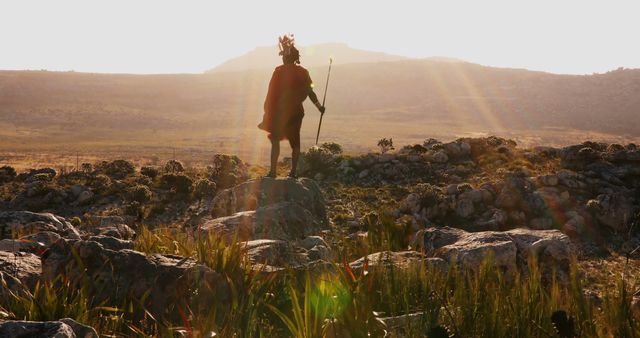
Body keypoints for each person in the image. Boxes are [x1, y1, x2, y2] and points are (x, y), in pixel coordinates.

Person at [258, 34, 325, 178]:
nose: (282, 57)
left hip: (279, 113)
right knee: (295, 141)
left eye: (283, 56)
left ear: (286, 57)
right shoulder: (303, 72)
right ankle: (293, 172)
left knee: (275, 140)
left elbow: (271, 93)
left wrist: (267, 112)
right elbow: (310, 91)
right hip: (296, 113)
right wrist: (319, 106)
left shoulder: (279, 72)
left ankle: (273, 172)